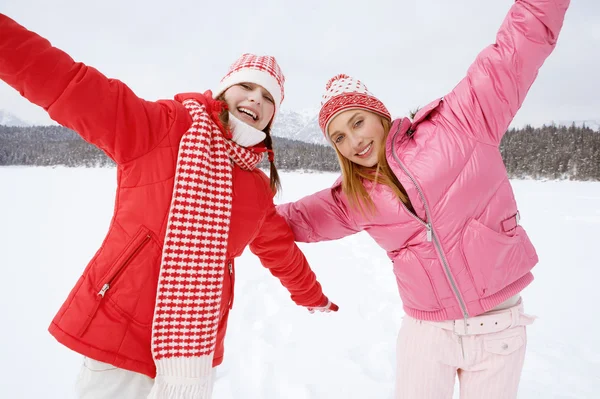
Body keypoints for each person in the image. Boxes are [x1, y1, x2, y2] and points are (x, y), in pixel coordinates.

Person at [0, 14, 338, 399]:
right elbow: (68, 82)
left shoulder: (257, 186)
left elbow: (279, 250)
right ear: (225, 90)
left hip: (194, 347)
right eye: (246, 86)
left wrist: (313, 296)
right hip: (119, 335)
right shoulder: (163, 126)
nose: (255, 100)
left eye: (268, 99)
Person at [277, 1, 570, 398]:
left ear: (379, 116)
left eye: (357, 122)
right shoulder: (352, 198)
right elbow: (289, 221)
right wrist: (220, 206)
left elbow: (516, 48)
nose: (354, 141)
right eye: (339, 138)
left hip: (499, 327)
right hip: (427, 334)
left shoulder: (460, 122)